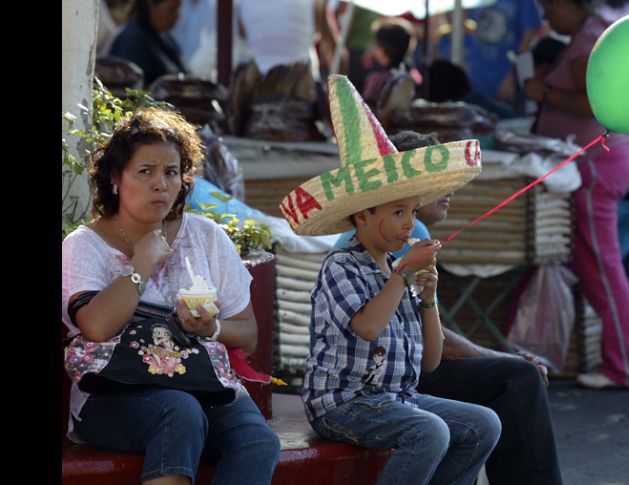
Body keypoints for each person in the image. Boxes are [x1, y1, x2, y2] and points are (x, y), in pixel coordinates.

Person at [286, 75, 501, 485]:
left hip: (395, 397)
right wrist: (403, 276)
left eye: (412, 212)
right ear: (362, 215)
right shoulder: (342, 265)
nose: (409, 223)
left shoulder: (395, 268)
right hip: (342, 401)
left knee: (483, 424)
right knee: (430, 431)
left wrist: (429, 298)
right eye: (397, 212)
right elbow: (367, 327)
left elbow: (431, 361)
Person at [61, 108, 281, 484]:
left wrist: (209, 328)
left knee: (258, 441)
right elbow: (95, 326)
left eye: (171, 172)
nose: (160, 184)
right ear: (115, 178)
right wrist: (141, 263)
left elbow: (247, 332)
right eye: (145, 171)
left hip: (202, 383)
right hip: (112, 395)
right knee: (179, 411)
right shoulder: (85, 246)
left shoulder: (206, 237)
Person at [331, 130, 563, 485]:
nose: (448, 191)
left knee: (485, 418)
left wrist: (427, 301)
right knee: (518, 378)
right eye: (435, 183)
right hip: (371, 380)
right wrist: (498, 357)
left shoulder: (408, 233)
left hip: (404, 365)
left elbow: (431, 347)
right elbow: (377, 330)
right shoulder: (369, 249)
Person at [524, 0, 629, 389]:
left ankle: (627, 367)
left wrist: (544, 92)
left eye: (548, 7)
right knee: (596, 267)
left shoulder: (588, 41)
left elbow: (596, 104)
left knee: (603, 267)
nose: (545, 16)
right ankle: (622, 363)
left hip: (597, 166)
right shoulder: (591, 35)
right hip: (595, 165)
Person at [110, 0, 188, 86]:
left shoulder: (166, 39)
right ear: (151, 5)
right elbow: (133, 90)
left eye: (178, 9)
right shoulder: (132, 41)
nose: (177, 16)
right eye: (171, 10)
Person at [361, 18, 422, 109]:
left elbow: (366, 109)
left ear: (382, 49)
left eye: (376, 43)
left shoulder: (376, 78)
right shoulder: (413, 75)